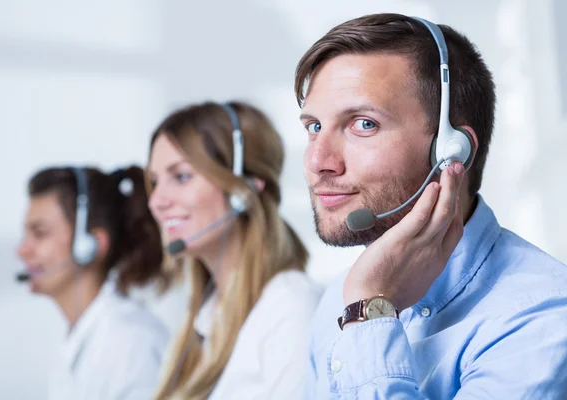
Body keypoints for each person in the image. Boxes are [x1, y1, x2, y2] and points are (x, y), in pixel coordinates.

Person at [295, 13, 567, 399]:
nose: (318, 161)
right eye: (314, 127)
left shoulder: (541, 320)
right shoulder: (338, 299)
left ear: (451, 150)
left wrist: (369, 312)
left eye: (363, 124)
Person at [147, 101, 322, 399]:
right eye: (154, 182)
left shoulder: (291, 307)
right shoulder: (205, 315)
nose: (156, 201)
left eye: (181, 176)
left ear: (243, 189)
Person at [16, 165, 170, 400]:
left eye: (40, 233)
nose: (22, 251)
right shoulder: (82, 336)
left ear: (89, 244)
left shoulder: (132, 343)